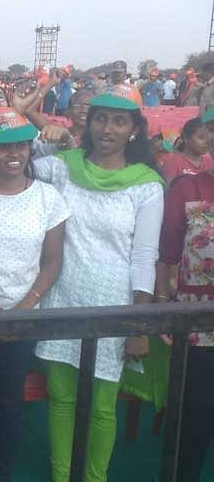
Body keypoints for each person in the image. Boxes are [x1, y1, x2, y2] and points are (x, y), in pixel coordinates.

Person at [32, 84, 164, 482]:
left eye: (119, 121)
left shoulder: (146, 184)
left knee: (104, 405)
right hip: (63, 297)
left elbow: (145, 256)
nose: (107, 128)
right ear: (87, 123)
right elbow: (14, 168)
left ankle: (93, 478)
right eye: (101, 118)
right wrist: (43, 135)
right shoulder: (61, 166)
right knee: (61, 400)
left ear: (134, 129)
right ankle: (61, 476)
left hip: (115, 306)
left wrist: (138, 324)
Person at [0, 108, 69, 482]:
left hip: (22, 317)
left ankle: (1, 473)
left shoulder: (47, 197)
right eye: (3, 146)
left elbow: (52, 261)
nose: (13, 153)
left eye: (21, 144)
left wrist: (26, 305)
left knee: (9, 403)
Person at [155, 105, 214, 482]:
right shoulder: (187, 188)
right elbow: (166, 254)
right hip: (198, 331)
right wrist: (161, 307)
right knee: (192, 425)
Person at [159, 117, 213, 185]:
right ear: (186, 138)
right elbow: (169, 190)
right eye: (201, 137)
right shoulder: (172, 162)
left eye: (208, 137)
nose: (206, 141)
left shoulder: (211, 162)